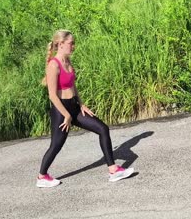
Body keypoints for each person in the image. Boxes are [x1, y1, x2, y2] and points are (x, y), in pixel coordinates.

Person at [37, 29, 134, 188]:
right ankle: (42, 176)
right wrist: (66, 115)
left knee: (102, 129)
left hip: (74, 107)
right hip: (61, 110)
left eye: (73, 43)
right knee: (56, 145)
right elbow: (52, 95)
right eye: (70, 43)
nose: (73, 46)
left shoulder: (68, 61)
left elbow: (73, 86)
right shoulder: (54, 65)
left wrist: (81, 104)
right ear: (61, 44)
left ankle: (113, 170)